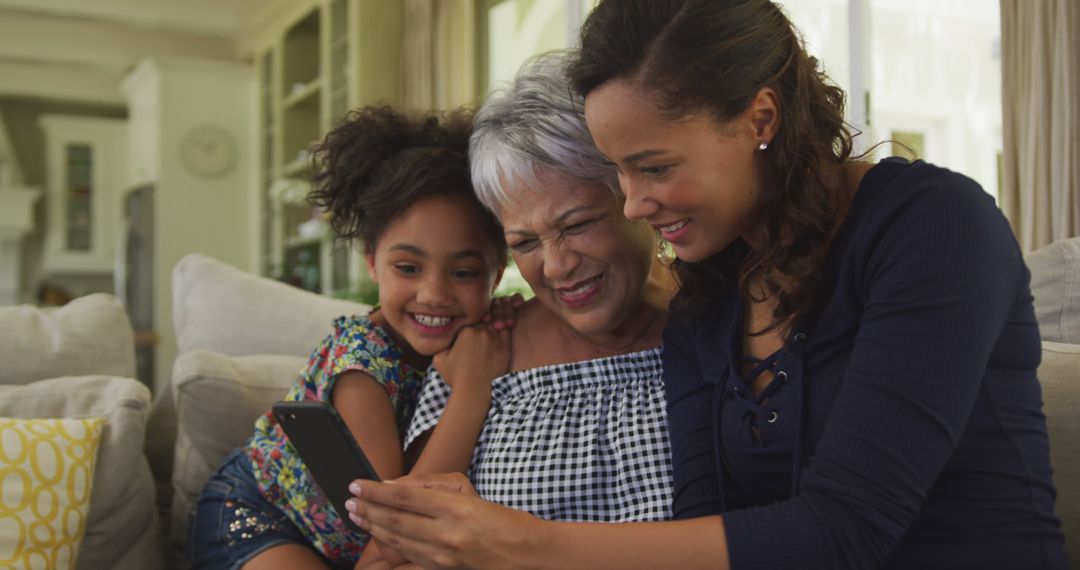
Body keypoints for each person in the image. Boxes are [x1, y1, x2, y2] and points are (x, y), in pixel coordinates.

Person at [346, 1, 1069, 569]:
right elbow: (704, 524)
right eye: (619, 173)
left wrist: (521, 546)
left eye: (655, 168)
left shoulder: (934, 226)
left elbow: (846, 532)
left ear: (761, 118)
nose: (633, 204)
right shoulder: (709, 299)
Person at [355, 49, 678, 567]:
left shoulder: (725, 326)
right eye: (525, 243)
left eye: (576, 225)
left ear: (634, 192)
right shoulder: (484, 350)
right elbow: (386, 557)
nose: (556, 266)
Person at [188, 105, 514, 570]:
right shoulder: (361, 363)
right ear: (371, 260)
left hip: (350, 544)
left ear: (496, 275)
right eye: (408, 267)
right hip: (261, 517)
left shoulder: (479, 337)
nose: (435, 294)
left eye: (463, 272)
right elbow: (397, 517)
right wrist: (473, 389)